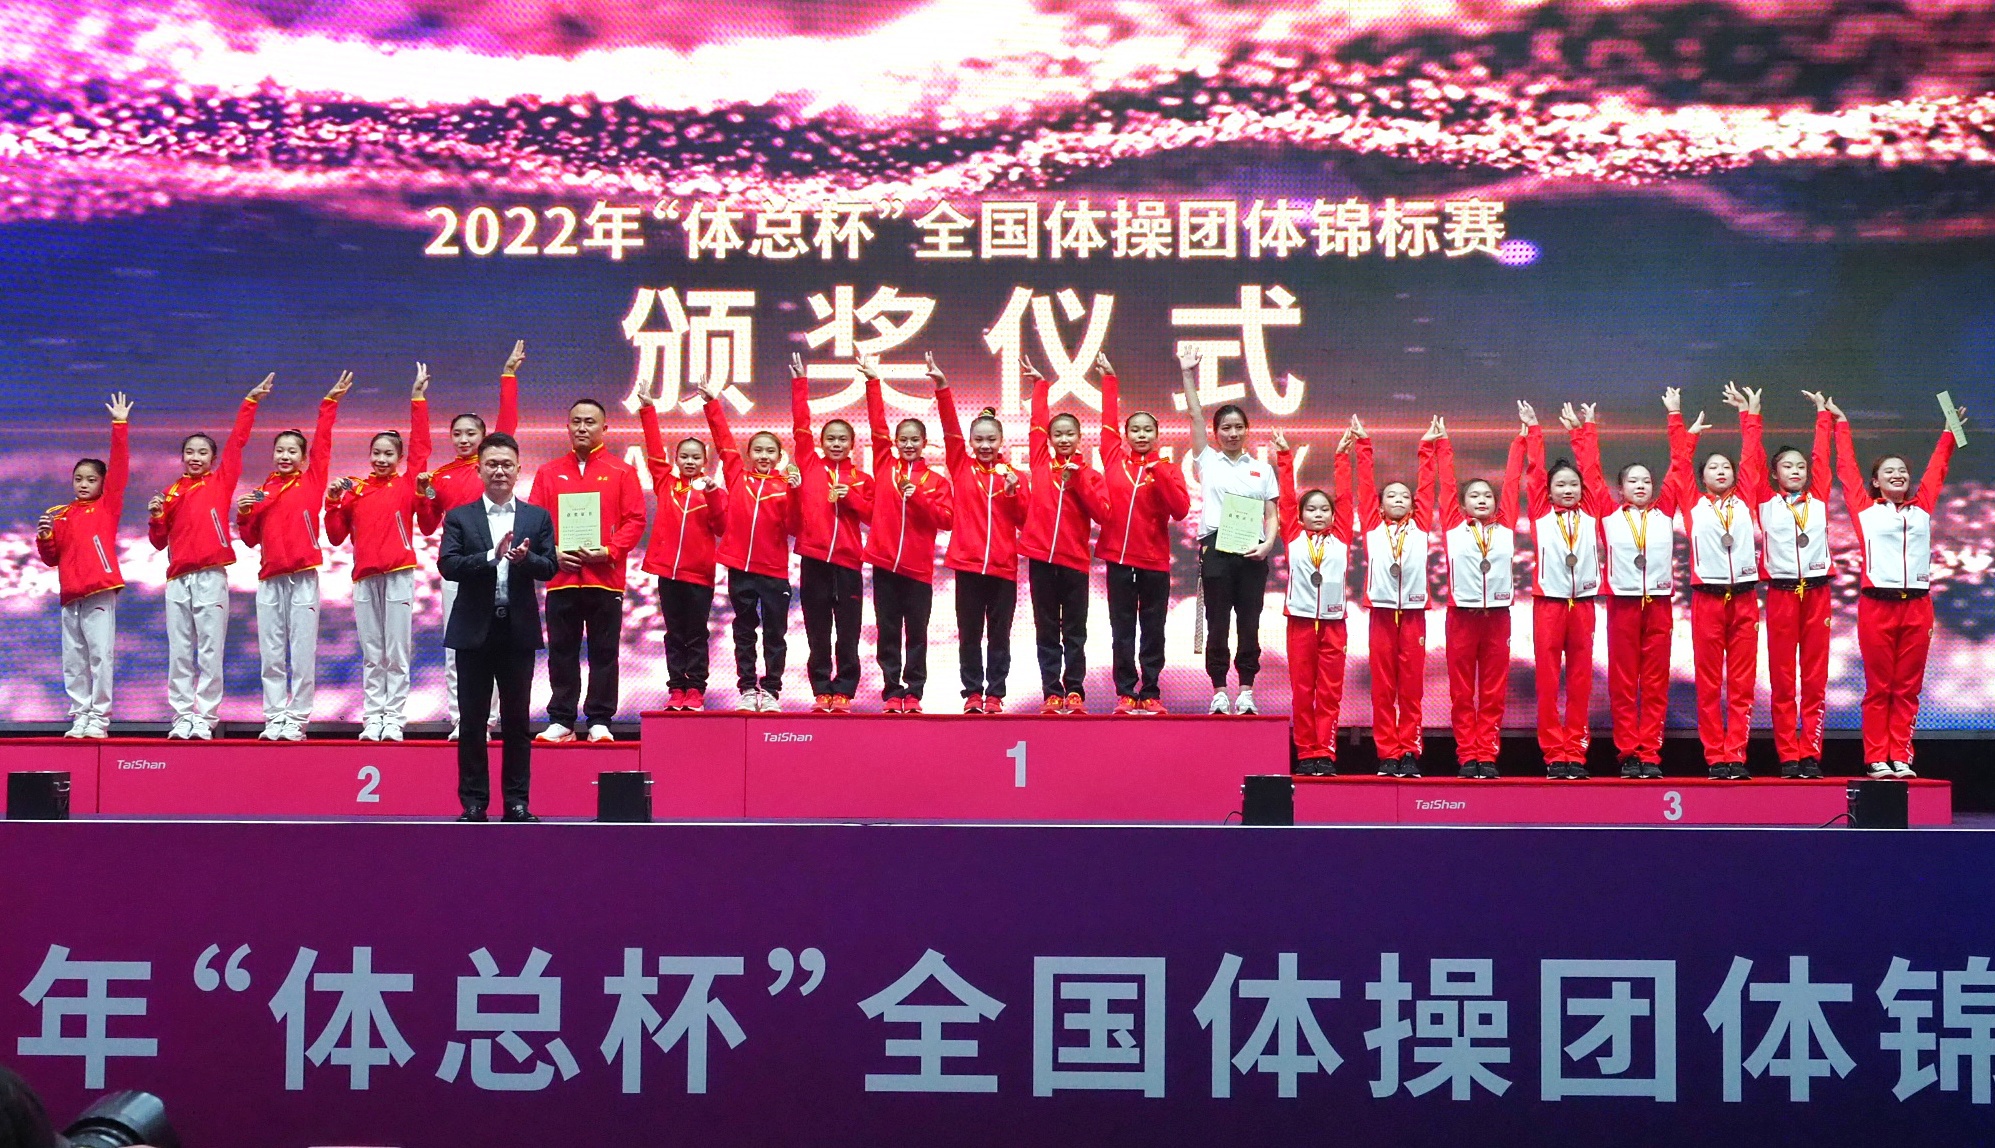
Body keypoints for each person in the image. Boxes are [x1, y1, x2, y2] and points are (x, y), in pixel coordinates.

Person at [1833, 394, 1965, 779]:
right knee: (1879, 687)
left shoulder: (1921, 508)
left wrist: (1950, 431)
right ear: (1875, 481)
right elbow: (1846, 469)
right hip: (1877, 606)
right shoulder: (1864, 510)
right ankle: (1877, 757)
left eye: (1902, 471)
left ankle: (1901, 756)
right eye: (1888, 471)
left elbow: (1939, 468)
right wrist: (1841, 425)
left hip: (1918, 607)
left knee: (1907, 687)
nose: (1897, 475)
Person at [440, 432, 557, 822]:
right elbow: (449, 565)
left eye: (507, 464)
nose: (499, 471)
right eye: (492, 464)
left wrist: (525, 559)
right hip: (473, 630)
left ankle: (517, 802)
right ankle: (474, 803)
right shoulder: (461, 516)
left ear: (519, 469)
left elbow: (550, 567)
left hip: (517, 630)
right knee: (472, 722)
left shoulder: (536, 517)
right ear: (479, 469)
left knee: (517, 722)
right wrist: (492, 555)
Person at [149, 373, 269, 739]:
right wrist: (155, 517)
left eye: (203, 452)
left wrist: (250, 403)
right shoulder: (169, 494)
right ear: (182, 457)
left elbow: (238, 442)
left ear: (214, 459)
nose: (195, 457)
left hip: (211, 576)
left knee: (210, 650)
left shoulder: (221, 481)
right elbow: (158, 542)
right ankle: (182, 716)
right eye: (190, 452)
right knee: (180, 652)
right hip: (177, 580)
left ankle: (205, 718)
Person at [419, 340, 522, 740]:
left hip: (499, 562)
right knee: (458, 646)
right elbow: (428, 524)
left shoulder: (490, 467)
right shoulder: (440, 475)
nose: (463, 439)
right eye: (457, 434)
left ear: (484, 436)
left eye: (471, 433)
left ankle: (490, 720)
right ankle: (463, 719)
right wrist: (425, 494)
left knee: (496, 642)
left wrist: (508, 375)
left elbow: (507, 423)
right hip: (459, 569)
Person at [237, 371, 348, 741]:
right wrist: (244, 514)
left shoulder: (312, 481)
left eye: (292, 451)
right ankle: (274, 719)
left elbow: (323, 445)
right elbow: (249, 540)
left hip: (302, 578)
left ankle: (297, 720)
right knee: (271, 653)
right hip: (269, 580)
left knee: (301, 652)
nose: (284, 456)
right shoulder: (260, 492)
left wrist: (328, 404)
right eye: (279, 450)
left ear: (302, 457)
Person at [528, 398, 647, 743]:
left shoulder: (622, 471)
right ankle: (561, 719)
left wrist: (609, 551)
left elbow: (635, 520)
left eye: (590, 422)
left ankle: (599, 720)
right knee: (561, 651)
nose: (582, 428)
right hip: (561, 578)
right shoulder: (548, 472)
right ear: (567, 427)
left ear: (604, 428)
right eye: (576, 421)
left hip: (605, 578)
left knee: (604, 652)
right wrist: (552, 553)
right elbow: (534, 522)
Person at [325, 365, 431, 741]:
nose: (382, 459)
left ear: (399, 458)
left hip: (399, 574)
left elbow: (422, 448)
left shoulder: (407, 484)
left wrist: (417, 398)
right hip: (364, 578)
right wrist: (332, 503)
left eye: (389, 454)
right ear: (369, 455)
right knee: (373, 652)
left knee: (397, 651)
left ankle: (394, 719)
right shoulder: (354, 491)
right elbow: (335, 536)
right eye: (377, 453)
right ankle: (374, 717)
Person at [1598, 393, 1702, 778]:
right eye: (1633, 481)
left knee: (1656, 684)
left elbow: (1679, 467)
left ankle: (1651, 754)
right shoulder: (1608, 516)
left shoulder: (1664, 513)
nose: (1641, 485)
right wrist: (1585, 431)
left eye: (1646, 480)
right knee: (1624, 684)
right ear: (1620, 489)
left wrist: (1679, 422)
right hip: (1622, 606)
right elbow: (1590, 472)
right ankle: (1629, 753)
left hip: (1658, 605)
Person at [1670, 384, 1764, 780]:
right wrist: (1680, 424)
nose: (1721, 471)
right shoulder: (1692, 504)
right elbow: (1678, 465)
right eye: (1712, 467)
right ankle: (1715, 757)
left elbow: (1752, 458)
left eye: (1726, 466)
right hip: (1707, 600)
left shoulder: (1745, 500)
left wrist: (1750, 415)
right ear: (1702, 477)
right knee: (1709, 685)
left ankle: (1736, 755)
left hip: (1744, 600)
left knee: (1741, 685)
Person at [1179, 348, 1279, 716]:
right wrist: (1187, 373)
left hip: (1252, 553)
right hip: (1217, 550)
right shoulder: (1207, 460)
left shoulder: (1262, 469)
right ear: (1216, 433)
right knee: (1217, 623)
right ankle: (1219, 691)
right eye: (1226, 428)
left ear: (1247, 430)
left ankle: (1246, 692)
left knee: (1249, 624)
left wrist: (1267, 545)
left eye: (1238, 427)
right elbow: (1195, 414)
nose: (1233, 433)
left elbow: (1272, 513)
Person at [1745, 387, 1837, 779]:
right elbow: (1751, 460)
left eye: (1800, 465)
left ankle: (1810, 752)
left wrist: (1823, 417)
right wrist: (1752, 416)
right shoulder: (1764, 501)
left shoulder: (1820, 498)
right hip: (1781, 595)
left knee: (1814, 680)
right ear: (1775, 474)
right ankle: (1788, 755)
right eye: (1787, 466)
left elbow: (1823, 457)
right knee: (1783, 681)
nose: (1796, 470)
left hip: (1817, 593)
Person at [932, 352, 1028, 713]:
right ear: (971, 442)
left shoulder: (1014, 476)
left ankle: (996, 695)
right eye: (979, 440)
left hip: (1003, 568)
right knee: (970, 634)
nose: (985, 445)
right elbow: (950, 429)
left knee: (999, 637)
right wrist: (943, 388)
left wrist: (1013, 492)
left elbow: (1024, 520)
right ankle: (973, 693)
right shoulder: (961, 467)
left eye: (991, 439)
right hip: (968, 566)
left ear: (1001, 441)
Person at [1096, 353, 1191, 715]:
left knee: (1153, 630)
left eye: (1147, 430)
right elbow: (1106, 423)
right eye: (1134, 430)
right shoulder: (1113, 459)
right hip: (1119, 561)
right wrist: (1110, 381)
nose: (1140, 435)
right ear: (1125, 435)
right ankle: (1125, 692)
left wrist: (1159, 471)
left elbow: (1180, 510)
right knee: (1122, 630)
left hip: (1154, 563)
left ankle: (1150, 691)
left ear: (1156, 435)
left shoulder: (1168, 468)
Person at [859, 355, 954, 712]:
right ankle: (891, 691)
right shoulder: (885, 464)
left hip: (918, 570)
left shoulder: (936, 481)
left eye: (915, 439)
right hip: (884, 565)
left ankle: (914, 692)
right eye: (903, 439)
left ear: (924, 442)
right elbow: (877, 425)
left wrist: (919, 500)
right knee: (887, 631)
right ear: (896, 443)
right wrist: (873, 382)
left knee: (916, 634)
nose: (909, 444)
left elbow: (947, 520)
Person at [700, 374, 798, 711]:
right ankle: (746, 688)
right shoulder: (738, 476)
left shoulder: (785, 486)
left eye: (771, 451)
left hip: (773, 572)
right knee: (744, 631)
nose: (764, 455)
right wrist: (712, 403)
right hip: (740, 569)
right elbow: (723, 440)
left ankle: (770, 691)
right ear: (749, 454)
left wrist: (796, 492)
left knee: (774, 634)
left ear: (780, 456)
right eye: (758, 450)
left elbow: (794, 526)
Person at [1522, 401, 1609, 779]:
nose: (1569, 489)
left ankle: (1575, 751)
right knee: (1547, 682)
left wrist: (1583, 432)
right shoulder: (1541, 513)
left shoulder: (1591, 512)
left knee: (1580, 681)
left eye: (1573, 484)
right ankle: (1553, 753)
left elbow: (1593, 471)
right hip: (1549, 605)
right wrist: (1534, 431)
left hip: (1584, 605)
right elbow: (1534, 472)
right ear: (1549, 491)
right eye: (1560, 485)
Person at [1434, 416, 1525, 779]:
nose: (1483, 499)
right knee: (1461, 692)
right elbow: (1445, 484)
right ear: (1463, 504)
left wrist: (1520, 442)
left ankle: (1486, 753)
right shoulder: (1453, 527)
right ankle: (1466, 754)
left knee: (1492, 691)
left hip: (1497, 618)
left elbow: (1513, 482)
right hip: (1461, 617)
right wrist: (1443, 445)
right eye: (1474, 496)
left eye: (1487, 495)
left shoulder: (1506, 527)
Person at [38, 391, 133, 739]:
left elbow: (119, 466)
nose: (83, 484)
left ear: (103, 484)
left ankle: (99, 719)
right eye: (78, 479)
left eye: (91, 479)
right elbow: (51, 558)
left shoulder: (107, 506)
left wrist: (119, 425)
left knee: (100, 656)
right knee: (73, 660)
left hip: (99, 591)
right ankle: (80, 715)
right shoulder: (60, 514)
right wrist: (45, 537)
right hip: (70, 595)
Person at [1353, 414, 1440, 777]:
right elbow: (1364, 484)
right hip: (1382, 615)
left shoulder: (1421, 527)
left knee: (1411, 689)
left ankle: (1410, 751)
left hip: (1414, 615)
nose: (1400, 499)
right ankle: (1388, 752)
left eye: (1405, 495)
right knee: (1383, 688)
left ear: (1414, 504)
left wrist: (1427, 448)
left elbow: (1428, 486)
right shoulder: (1372, 527)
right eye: (1391, 495)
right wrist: (1363, 446)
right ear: (1379, 505)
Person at [1020, 356, 1108, 714]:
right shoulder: (1041, 463)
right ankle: (1051, 692)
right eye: (1058, 434)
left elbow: (1102, 514)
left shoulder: (1090, 474)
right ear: (1051, 439)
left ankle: (1075, 690)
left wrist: (1079, 481)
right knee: (1046, 630)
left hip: (1074, 562)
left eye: (1070, 434)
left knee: (1074, 632)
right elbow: (1036, 426)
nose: (1064, 439)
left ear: (1080, 438)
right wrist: (1040, 387)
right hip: (1041, 560)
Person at [789, 353, 874, 713]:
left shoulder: (862, 479)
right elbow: (800, 427)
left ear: (852, 445)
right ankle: (821, 688)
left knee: (849, 632)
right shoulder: (810, 465)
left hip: (849, 563)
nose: (836, 444)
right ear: (822, 443)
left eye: (842, 439)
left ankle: (845, 691)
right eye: (831, 439)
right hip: (814, 560)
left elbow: (873, 517)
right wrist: (800, 384)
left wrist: (850, 497)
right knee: (818, 630)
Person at [639, 386, 727, 711]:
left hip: (699, 576)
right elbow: (653, 449)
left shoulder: (714, 491)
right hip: (668, 574)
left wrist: (714, 494)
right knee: (674, 634)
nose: (689, 461)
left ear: (706, 461)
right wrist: (648, 409)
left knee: (696, 634)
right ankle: (676, 688)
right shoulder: (666, 484)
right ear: (675, 460)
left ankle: (696, 690)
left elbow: (722, 528)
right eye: (684, 456)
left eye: (695, 457)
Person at [1274, 427, 1353, 775]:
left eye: (1324, 509)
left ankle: (1326, 752)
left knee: (1330, 692)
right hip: (1301, 622)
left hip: (1334, 624)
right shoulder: (1293, 536)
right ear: (1301, 515)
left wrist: (1342, 458)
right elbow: (1286, 500)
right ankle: (1307, 752)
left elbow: (1346, 498)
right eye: (1311, 509)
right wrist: (1284, 458)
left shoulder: (1342, 538)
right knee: (1303, 691)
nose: (1318, 514)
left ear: (1334, 516)